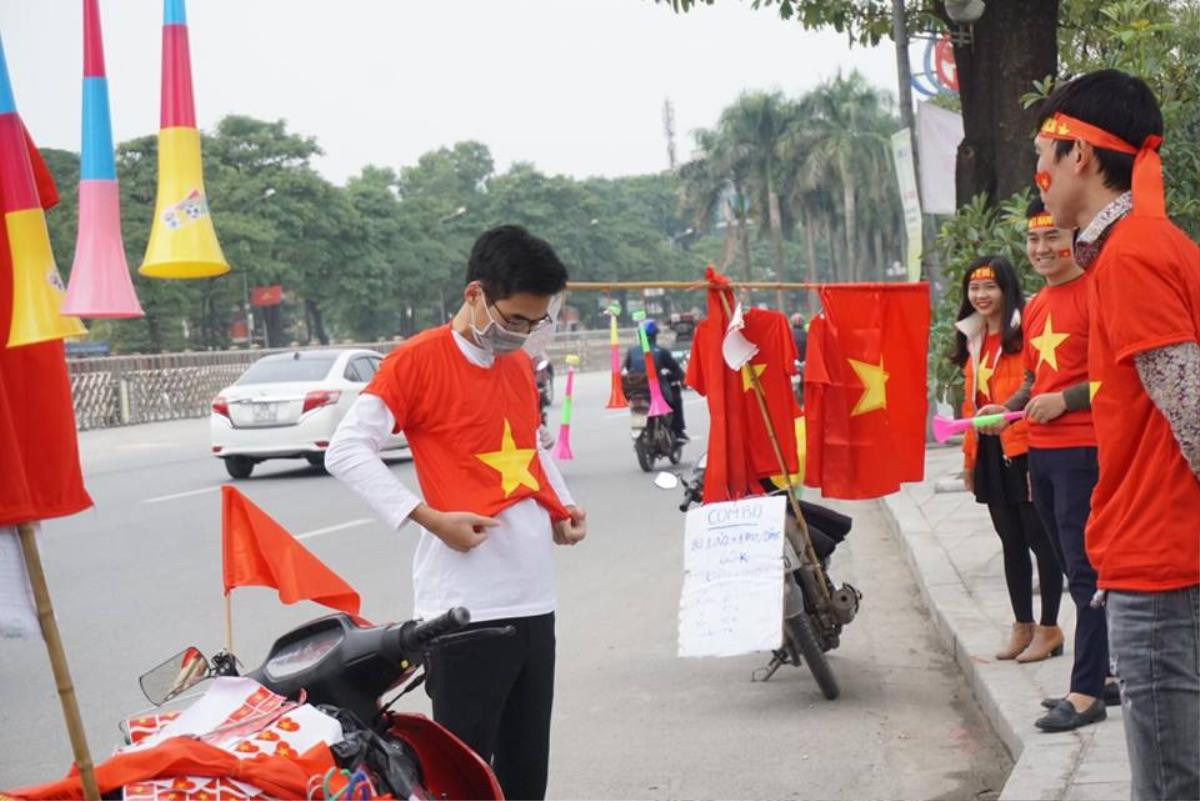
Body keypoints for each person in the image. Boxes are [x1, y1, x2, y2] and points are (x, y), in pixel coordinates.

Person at [325, 225, 587, 801]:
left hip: (534, 597)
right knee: (463, 779)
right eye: (515, 319)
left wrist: (561, 508)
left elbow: (533, 446)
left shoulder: (517, 365)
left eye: (536, 322)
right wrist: (427, 517)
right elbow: (345, 450)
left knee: (525, 772)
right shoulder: (417, 360)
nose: (523, 334)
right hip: (465, 610)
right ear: (475, 295)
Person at [1034, 70, 1199, 800]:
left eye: (1045, 153)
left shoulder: (1131, 255)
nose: (1037, 175)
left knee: (1167, 782)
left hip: (1159, 560)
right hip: (1157, 548)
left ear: (1083, 157)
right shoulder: (1135, 247)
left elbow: (1192, 406)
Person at [980, 198, 1113, 732]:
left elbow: (1118, 375)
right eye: (1033, 241)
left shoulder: (1100, 292)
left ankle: (1085, 693)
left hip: (1087, 451)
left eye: (1051, 237)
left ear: (1076, 236)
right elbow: (1037, 382)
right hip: (1043, 452)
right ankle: (1104, 676)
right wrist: (1007, 409)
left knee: (1086, 569)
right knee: (1066, 560)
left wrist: (1070, 401)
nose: (1040, 249)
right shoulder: (1034, 306)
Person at [951, 256, 1064, 664]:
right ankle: (1023, 625)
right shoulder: (973, 338)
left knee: (1042, 541)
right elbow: (972, 403)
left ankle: (1050, 628)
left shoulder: (1027, 330)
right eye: (974, 288)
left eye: (990, 287)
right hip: (990, 451)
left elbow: (1038, 387)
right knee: (1010, 542)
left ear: (1007, 289)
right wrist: (969, 458)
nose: (981, 296)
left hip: (1027, 448)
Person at [623, 319, 688, 442]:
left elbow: (627, 367)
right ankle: (678, 431)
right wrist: (684, 379)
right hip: (656, 390)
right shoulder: (661, 352)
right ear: (654, 335)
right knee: (676, 399)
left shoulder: (632, 351)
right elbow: (675, 369)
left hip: (636, 390)